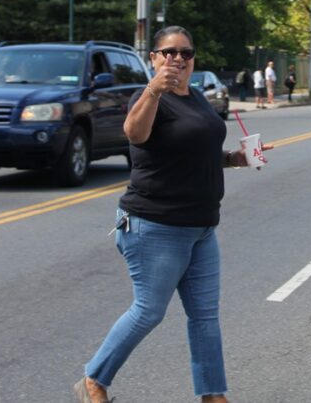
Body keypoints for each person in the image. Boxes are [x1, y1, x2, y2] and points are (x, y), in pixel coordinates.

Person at [75, 25, 270, 403]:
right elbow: (134, 133)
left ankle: (213, 395)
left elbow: (199, 151)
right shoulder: (148, 97)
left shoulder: (195, 97)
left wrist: (235, 158)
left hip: (200, 228)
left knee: (205, 317)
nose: (178, 58)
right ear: (154, 58)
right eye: (169, 52)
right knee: (149, 311)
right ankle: (93, 380)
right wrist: (153, 90)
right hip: (155, 225)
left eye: (186, 52)